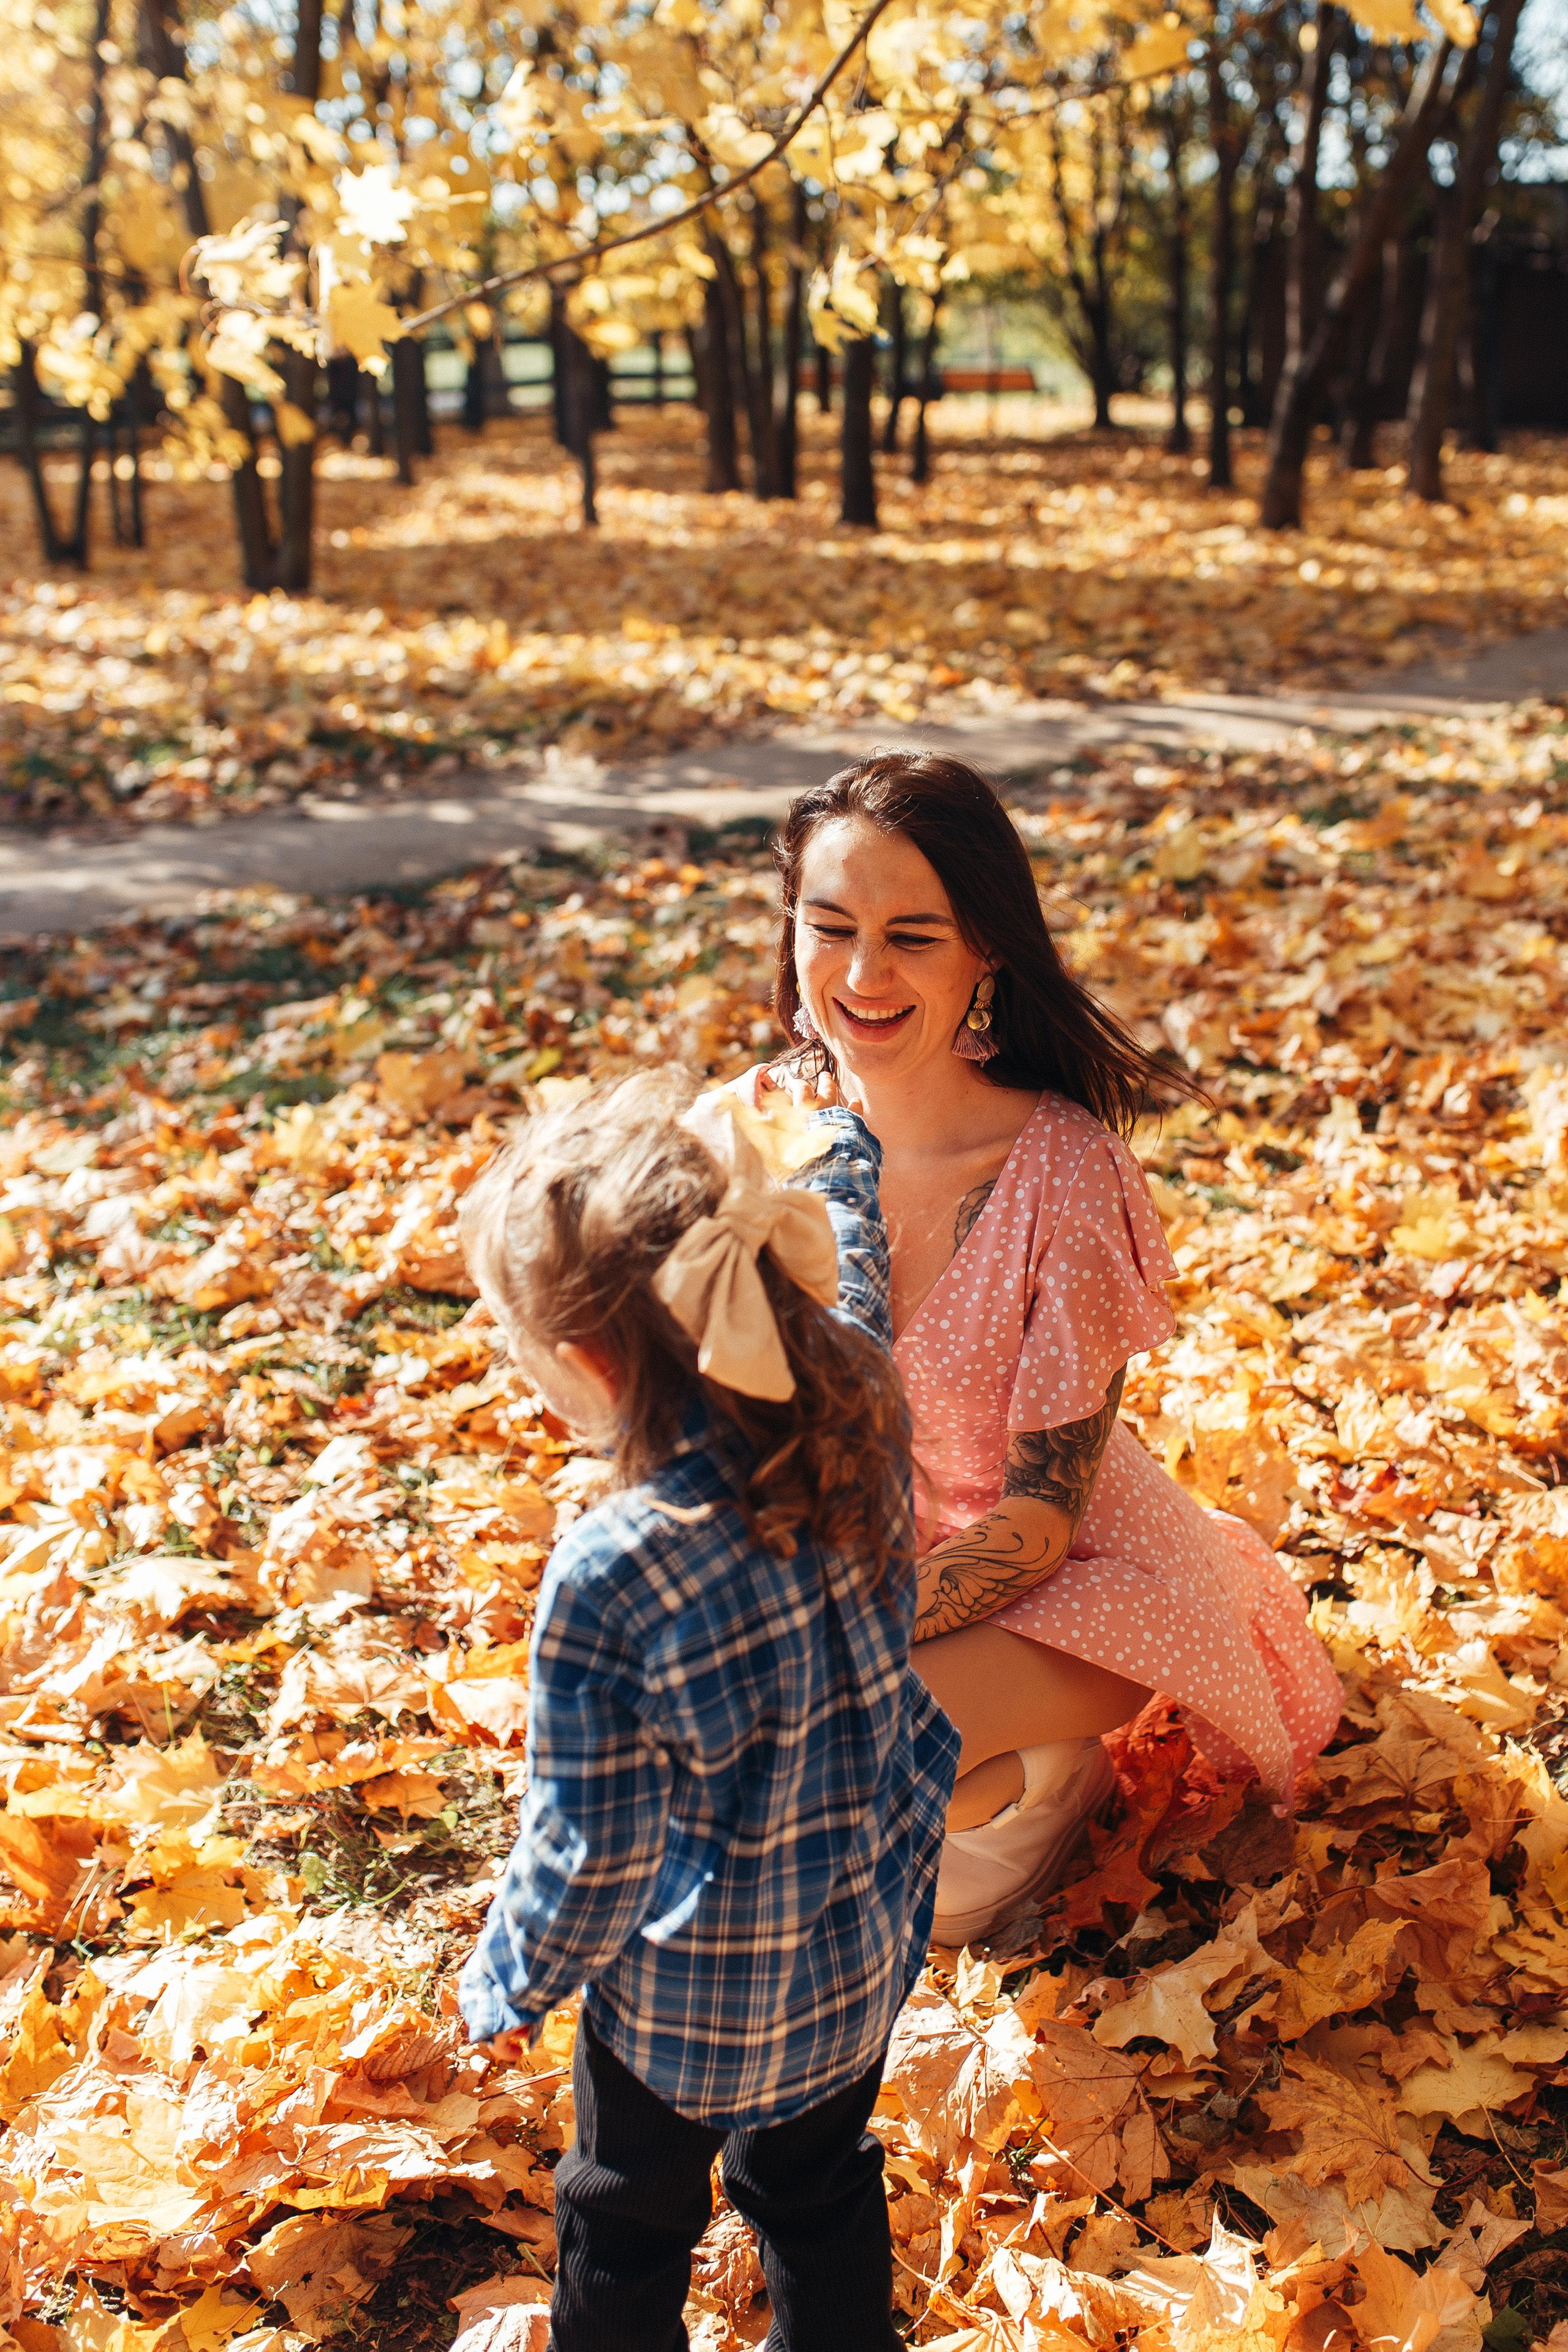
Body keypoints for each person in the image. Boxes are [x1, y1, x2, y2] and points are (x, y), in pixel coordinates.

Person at [739, 750, 1343, 1945]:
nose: (861, 975)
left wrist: (827, 1636)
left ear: (985, 955)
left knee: (820, 1792)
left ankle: (1046, 1775)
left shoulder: (1061, 1171)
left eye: (913, 936)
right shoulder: (756, 1124)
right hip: (852, 1551)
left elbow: (1035, 1524)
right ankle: (1001, 1786)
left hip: (1070, 1582)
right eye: (830, 926)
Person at [456, 1072, 958, 2352]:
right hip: (857, 1930)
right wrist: (839, 1142)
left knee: (623, 2219)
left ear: (582, 1360)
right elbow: (844, 1275)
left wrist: (511, 1981)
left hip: (688, 2001)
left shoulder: (616, 1571)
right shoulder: (857, 1385)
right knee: (817, 2189)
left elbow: (593, 1852)